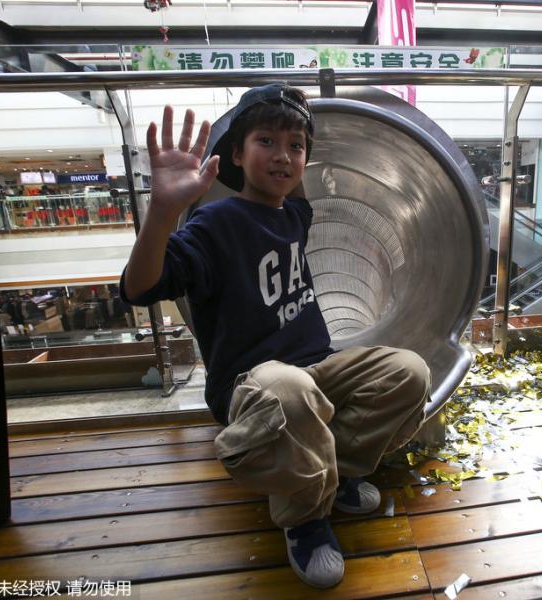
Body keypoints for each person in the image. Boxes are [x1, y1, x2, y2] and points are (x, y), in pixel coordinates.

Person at [119, 84, 430, 588]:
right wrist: (162, 210)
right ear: (237, 154)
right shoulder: (214, 222)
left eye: (296, 145)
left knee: (407, 372)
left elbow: (296, 182)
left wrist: (301, 105)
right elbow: (140, 287)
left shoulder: (294, 214)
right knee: (289, 390)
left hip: (314, 369)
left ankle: (335, 476)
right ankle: (305, 518)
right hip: (254, 388)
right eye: (266, 141)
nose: (283, 156)